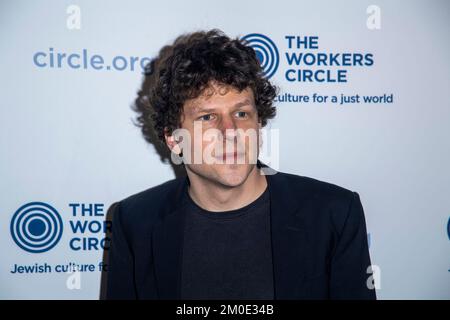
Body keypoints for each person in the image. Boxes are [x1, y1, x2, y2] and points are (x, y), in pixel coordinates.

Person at [105, 29, 376, 300]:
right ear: (174, 140)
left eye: (241, 113)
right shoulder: (135, 222)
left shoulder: (334, 214)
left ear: (259, 124)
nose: (231, 130)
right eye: (208, 117)